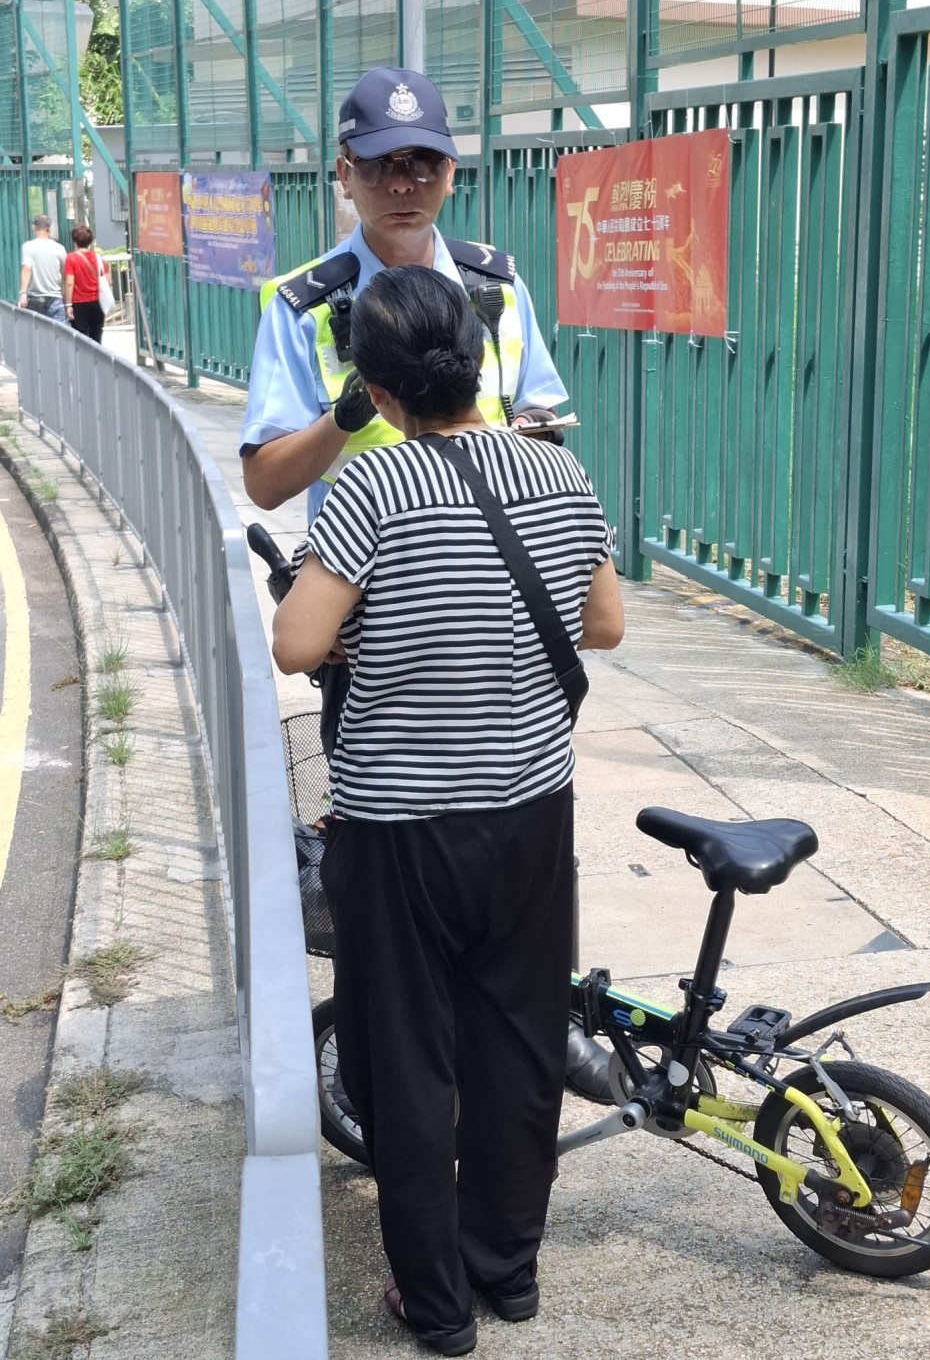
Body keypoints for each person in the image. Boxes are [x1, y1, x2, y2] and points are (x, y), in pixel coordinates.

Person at [272, 265, 624, 1356]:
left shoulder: (370, 491)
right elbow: (602, 624)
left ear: (376, 391)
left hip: (399, 831)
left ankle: (435, 1308)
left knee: (410, 1057)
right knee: (519, 1042)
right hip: (528, 810)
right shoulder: (558, 473)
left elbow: (296, 642)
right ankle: (506, 1273)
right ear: (476, 361)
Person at [239, 65, 569, 527]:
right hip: (363, 576)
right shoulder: (302, 307)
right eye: (377, 165)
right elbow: (264, 484)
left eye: (422, 163)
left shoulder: (497, 286)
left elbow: (543, 417)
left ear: (450, 172)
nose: (400, 184)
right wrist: (342, 420)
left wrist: (527, 433)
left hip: (491, 563)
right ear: (344, 174)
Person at [62, 225, 111, 343]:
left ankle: (83, 361)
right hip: (97, 302)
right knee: (96, 336)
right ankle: (97, 361)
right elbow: (109, 281)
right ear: (90, 241)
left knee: (81, 338)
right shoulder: (98, 258)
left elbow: (69, 282)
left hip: (78, 304)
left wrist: (68, 304)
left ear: (74, 240)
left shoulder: (71, 258)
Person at [17, 215, 67, 322]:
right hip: (56, 297)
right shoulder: (60, 248)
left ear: (33, 228)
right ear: (50, 229)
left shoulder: (28, 247)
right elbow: (65, 274)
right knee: (59, 334)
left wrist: (23, 294)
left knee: (36, 334)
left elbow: (27, 269)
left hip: (35, 298)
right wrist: (66, 299)